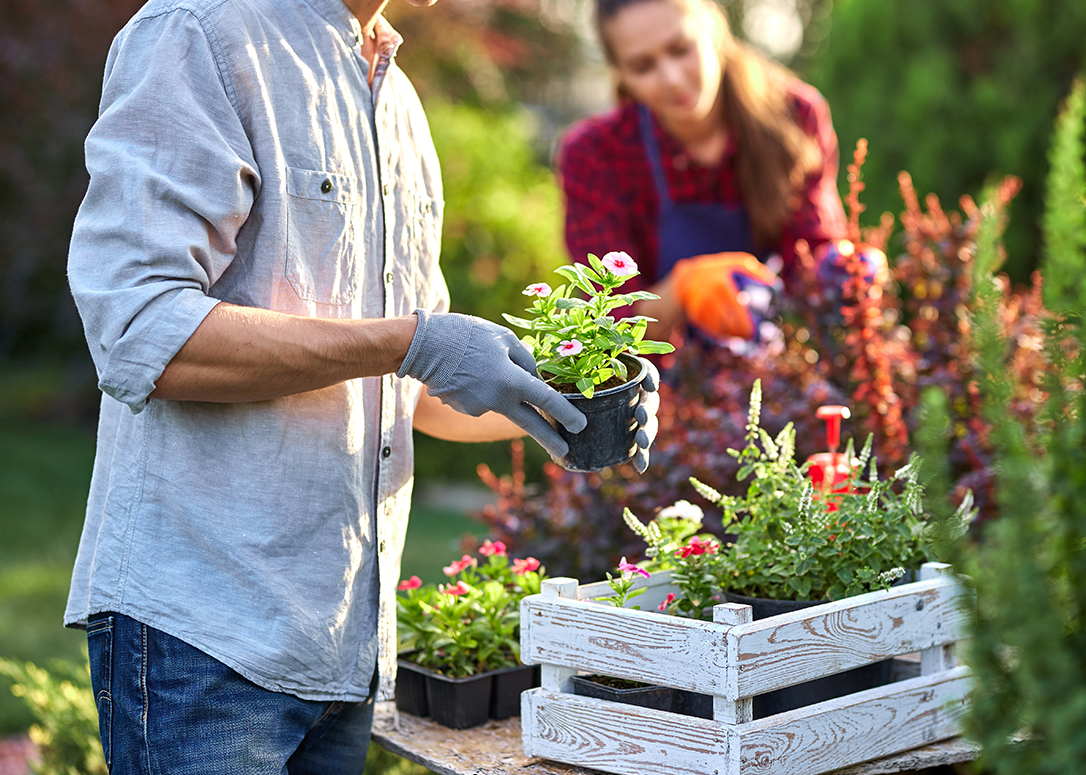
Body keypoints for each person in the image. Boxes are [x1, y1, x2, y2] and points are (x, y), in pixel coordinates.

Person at [64, 0, 659, 771]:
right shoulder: (199, 34)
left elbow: (409, 389)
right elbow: (142, 329)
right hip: (203, 642)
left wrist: (564, 406)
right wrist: (412, 341)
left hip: (341, 650)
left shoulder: (396, 99)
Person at [557, 0, 850, 342]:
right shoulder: (594, 155)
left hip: (774, 358)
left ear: (714, 28)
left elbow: (810, 260)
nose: (672, 78)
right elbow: (608, 322)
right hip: (662, 379)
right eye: (642, 66)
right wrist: (681, 290)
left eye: (681, 49)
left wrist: (844, 271)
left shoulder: (794, 117)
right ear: (620, 72)